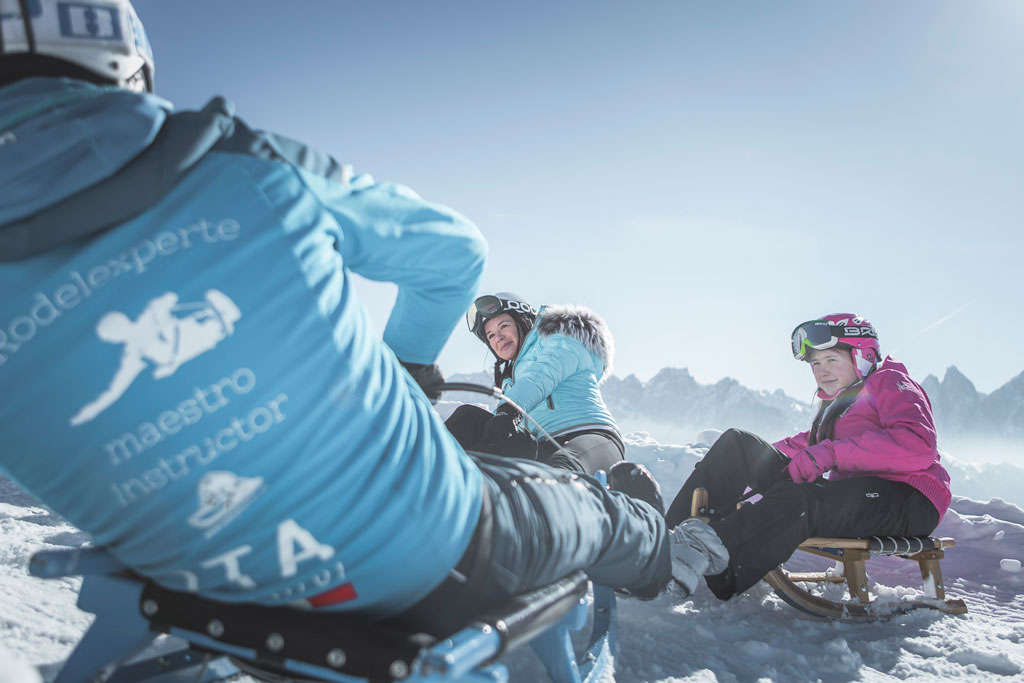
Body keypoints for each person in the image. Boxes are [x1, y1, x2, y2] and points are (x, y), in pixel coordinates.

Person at [0, 0, 720, 642]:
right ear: (124, 56)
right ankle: (660, 549)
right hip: (428, 557)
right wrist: (405, 369)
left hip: (203, 592)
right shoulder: (244, 162)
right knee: (585, 511)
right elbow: (454, 252)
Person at [663, 314, 952, 601]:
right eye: (816, 364)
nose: (822, 371)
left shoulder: (890, 380)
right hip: (856, 494)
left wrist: (830, 453)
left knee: (804, 499)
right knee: (738, 445)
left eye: (831, 360)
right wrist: (735, 463)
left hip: (909, 499)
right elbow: (803, 446)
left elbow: (917, 444)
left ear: (862, 356)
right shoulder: (841, 404)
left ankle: (710, 558)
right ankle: (665, 543)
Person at [445, 292, 629, 478]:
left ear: (523, 320)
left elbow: (543, 373)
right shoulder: (511, 382)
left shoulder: (562, 337)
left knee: (560, 470)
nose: (498, 338)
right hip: (542, 447)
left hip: (589, 436)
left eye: (504, 326)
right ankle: (440, 475)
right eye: (490, 335)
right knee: (468, 419)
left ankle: (629, 493)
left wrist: (508, 410)